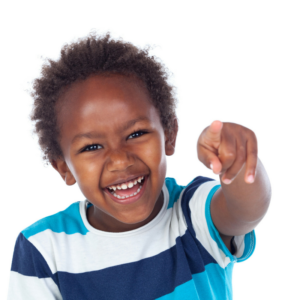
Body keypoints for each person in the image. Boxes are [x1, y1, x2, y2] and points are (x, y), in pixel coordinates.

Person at [7, 33, 271, 300]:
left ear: (169, 135)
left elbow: (246, 210)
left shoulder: (193, 214)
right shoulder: (44, 249)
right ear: (63, 167)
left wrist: (239, 165)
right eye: (91, 147)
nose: (120, 160)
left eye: (136, 134)